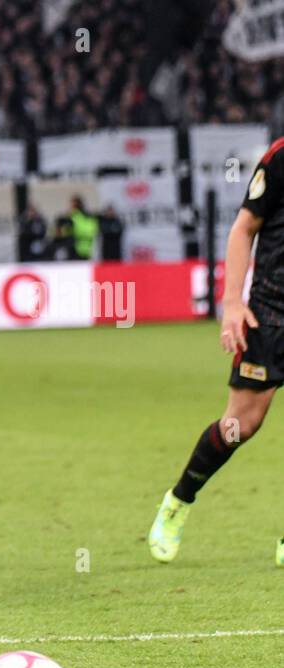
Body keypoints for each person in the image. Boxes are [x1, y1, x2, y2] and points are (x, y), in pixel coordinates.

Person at [148, 137, 284, 564]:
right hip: (271, 313)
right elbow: (244, 227)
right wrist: (232, 303)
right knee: (239, 427)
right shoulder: (280, 158)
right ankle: (179, 500)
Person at [68, 195, 98, 260]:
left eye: (72, 205)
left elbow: (90, 231)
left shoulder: (77, 217)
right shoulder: (73, 216)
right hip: (78, 248)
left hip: (81, 249)